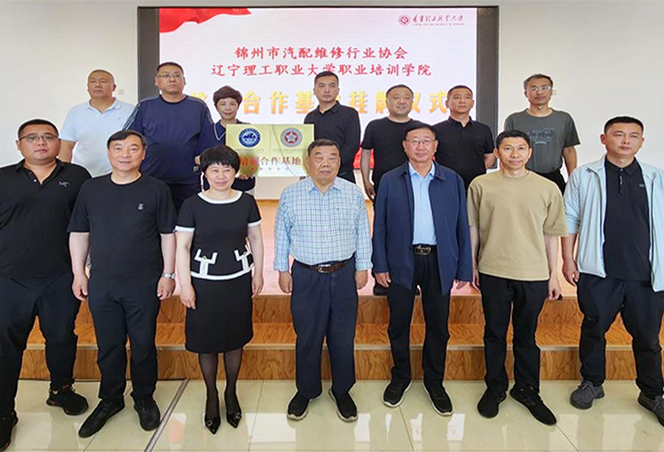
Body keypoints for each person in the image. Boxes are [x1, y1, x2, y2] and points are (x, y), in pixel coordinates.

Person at [68, 130, 177, 437]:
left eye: (133, 148)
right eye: (118, 148)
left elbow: (168, 234)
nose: (125, 154)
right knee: (109, 345)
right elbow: (79, 232)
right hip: (103, 282)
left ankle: (143, 397)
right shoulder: (91, 188)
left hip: (144, 282)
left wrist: (168, 274)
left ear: (143, 153)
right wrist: (79, 273)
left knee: (143, 344)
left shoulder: (156, 189)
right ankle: (110, 399)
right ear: (109, 153)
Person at [563, 116, 664, 426]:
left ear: (641, 142)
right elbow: (569, 218)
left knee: (648, 338)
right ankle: (592, 382)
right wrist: (568, 260)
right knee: (594, 329)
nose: (625, 140)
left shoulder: (656, 177)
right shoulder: (585, 175)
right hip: (599, 271)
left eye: (633, 136)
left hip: (645, 275)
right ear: (603, 139)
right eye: (618, 134)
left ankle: (652, 393)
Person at [0, 119, 90, 451]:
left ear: (58, 142)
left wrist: (83, 269)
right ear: (19, 144)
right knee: (5, 346)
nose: (41, 142)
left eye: (48, 137)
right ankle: (4, 411)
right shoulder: (3, 178)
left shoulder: (77, 177)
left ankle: (61, 389)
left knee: (61, 337)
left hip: (60, 276)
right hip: (9, 277)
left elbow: (87, 224)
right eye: (33, 137)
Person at [468, 130, 567, 425]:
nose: (515, 154)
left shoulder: (547, 187)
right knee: (494, 332)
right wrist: (472, 265)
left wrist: (553, 275)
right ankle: (495, 387)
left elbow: (551, 235)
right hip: (493, 270)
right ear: (497, 152)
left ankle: (527, 390)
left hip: (533, 273)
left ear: (529, 153)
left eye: (521, 148)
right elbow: (474, 227)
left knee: (527, 335)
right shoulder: (481, 185)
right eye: (508, 148)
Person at [372, 122, 472, 415]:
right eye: (414, 141)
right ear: (405, 146)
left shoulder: (452, 179)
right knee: (399, 324)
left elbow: (461, 226)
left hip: (439, 261)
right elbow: (380, 226)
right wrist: (380, 264)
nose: (420, 146)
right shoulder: (390, 179)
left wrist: (463, 267)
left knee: (438, 326)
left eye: (426, 141)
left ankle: (434, 382)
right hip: (401, 260)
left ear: (435, 146)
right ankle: (401, 377)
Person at [275, 138, 371, 422]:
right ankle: (306, 390)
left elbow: (361, 232)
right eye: (319, 157)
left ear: (340, 162)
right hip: (306, 275)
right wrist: (282, 270)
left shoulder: (352, 193)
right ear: (308, 162)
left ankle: (342, 390)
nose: (326, 163)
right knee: (307, 335)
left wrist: (363, 267)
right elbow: (282, 234)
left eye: (332, 157)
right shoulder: (291, 194)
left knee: (343, 335)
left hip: (344, 274)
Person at [175, 145, 264, 434]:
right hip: (203, 283)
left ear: (236, 172)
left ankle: (231, 392)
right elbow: (182, 246)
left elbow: (255, 239)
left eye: (227, 169)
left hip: (237, 279)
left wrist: (258, 273)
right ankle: (211, 395)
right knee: (206, 341)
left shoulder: (246, 202)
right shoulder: (192, 204)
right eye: (214, 169)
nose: (221, 175)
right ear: (205, 173)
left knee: (235, 338)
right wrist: (185, 286)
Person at [124, 61, 213, 211]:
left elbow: (208, 139)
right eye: (165, 75)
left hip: (186, 179)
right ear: (156, 81)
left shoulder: (198, 107)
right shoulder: (145, 106)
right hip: (151, 176)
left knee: (186, 219)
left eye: (177, 75)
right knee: (150, 218)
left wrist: (200, 160)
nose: (172, 79)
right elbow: (129, 137)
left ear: (184, 81)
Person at [360, 84, 416, 296]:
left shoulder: (419, 127)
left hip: (413, 188)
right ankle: (381, 278)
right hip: (383, 188)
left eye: (406, 97)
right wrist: (365, 180)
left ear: (412, 102)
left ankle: (410, 279)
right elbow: (366, 154)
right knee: (383, 232)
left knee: (411, 233)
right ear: (387, 102)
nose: (401, 101)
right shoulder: (375, 126)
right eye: (396, 97)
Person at [504, 73, 580, 193]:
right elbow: (506, 151)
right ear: (525, 93)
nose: (539, 92)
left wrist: (573, 180)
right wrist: (506, 179)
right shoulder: (514, 120)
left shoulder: (564, 119)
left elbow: (569, 150)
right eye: (534, 88)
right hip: (522, 177)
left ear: (551, 92)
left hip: (553, 177)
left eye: (545, 88)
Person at [59, 69, 134, 177]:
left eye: (103, 81)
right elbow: (66, 146)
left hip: (121, 174)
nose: (98, 85)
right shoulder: (76, 111)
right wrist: (63, 175)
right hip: (83, 174)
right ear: (88, 87)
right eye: (93, 81)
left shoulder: (130, 110)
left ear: (114, 87)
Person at [434, 85, 495, 190]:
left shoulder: (483, 129)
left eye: (467, 97)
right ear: (447, 103)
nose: (462, 101)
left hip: (476, 185)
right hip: (445, 184)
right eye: (457, 97)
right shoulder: (436, 130)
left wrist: (475, 171)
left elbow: (490, 157)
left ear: (472, 103)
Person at [304, 71, 361, 183]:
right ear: (314, 90)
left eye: (332, 86)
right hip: (316, 175)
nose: (327, 90)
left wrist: (332, 164)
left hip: (342, 174)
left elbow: (352, 144)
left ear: (338, 90)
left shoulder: (349, 114)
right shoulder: (310, 117)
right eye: (322, 86)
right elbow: (307, 147)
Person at [198, 85, 256, 194]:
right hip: (214, 186)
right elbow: (197, 158)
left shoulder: (248, 130)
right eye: (223, 104)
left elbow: (257, 156)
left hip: (243, 185)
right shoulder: (208, 131)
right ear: (216, 107)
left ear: (238, 106)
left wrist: (247, 169)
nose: (228, 108)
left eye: (232, 104)